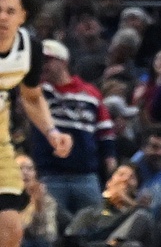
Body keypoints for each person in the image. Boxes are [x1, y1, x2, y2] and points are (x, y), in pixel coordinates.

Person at [0, 0, 75, 247]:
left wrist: (52, 131)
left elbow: (30, 97)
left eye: (9, 10)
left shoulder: (28, 47)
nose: (2, 16)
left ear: (24, 14)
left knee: (12, 228)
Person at [27, 38, 115, 215]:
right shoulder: (38, 92)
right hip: (50, 175)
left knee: (92, 225)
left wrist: (110, 165)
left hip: (86, 175)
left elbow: (105, 132)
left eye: (47, 60)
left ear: (63, 61)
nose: (42, 65)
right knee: (51, 226)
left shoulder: (90, 93)